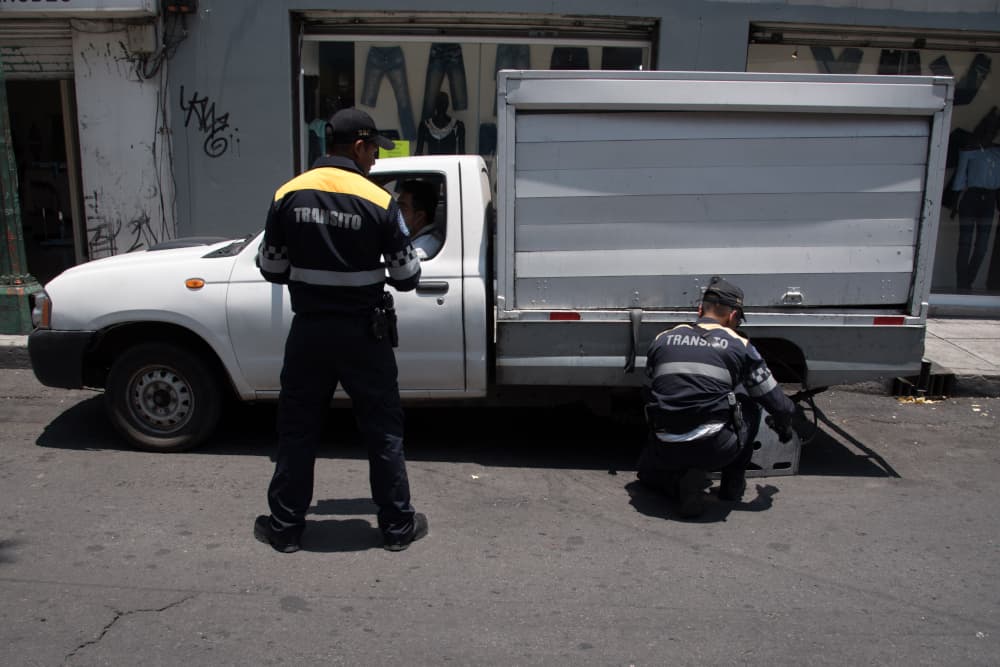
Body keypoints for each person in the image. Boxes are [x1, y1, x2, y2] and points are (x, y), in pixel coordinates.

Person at [254, 107, 428, 553]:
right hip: (364, 335)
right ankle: (396, 528)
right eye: (373, 151)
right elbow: (407, 276)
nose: (375, 159)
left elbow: (271, 267)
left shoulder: (287, 194)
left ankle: (285, 529)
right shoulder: (379, 201)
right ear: (358, 147)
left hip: (309, 332)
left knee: (297, 430)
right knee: (382, 430)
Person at [636, 276, 797, 519]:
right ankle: (732, 486)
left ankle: (677, 483)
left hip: (664, 445)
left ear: (700, 310)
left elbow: (649, 391)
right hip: (714, 449)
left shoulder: (663, 339)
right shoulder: (740, 345)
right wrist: (784, 428)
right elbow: (778, 404)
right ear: (733, 316)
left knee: (648, 473)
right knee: (749, 404)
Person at [397, 179, 442, 260]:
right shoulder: (423, 239)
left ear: (419, 216)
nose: (396, 212)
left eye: (402, 208)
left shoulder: (421, 248)